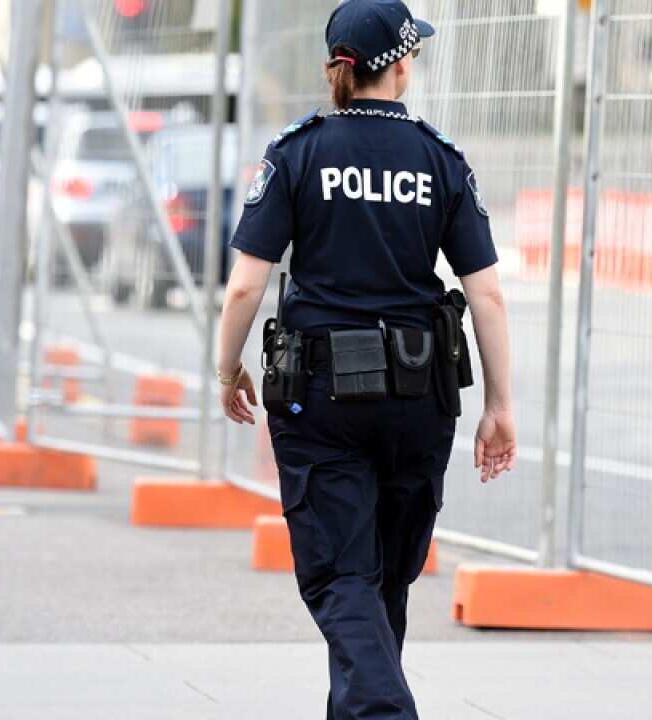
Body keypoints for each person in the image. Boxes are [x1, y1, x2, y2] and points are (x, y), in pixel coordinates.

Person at [217, 1, 517, 717]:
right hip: (420, 401)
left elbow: (245, 287)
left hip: (321, 402)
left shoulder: (297, 152)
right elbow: (489, 298)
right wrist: (500, 407)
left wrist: (226, 368)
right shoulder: (439, 159)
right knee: (382, 583)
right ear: (402, 65)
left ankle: (383, 709)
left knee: (343, 578)